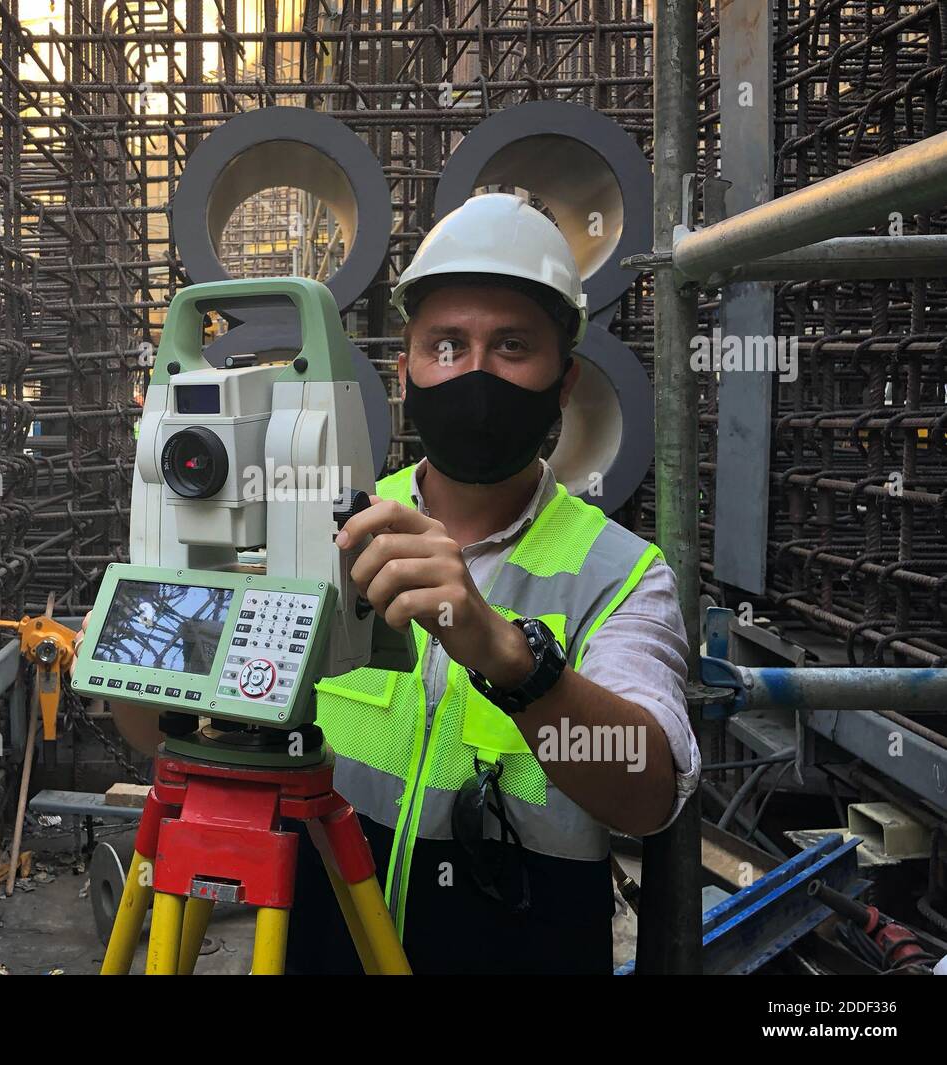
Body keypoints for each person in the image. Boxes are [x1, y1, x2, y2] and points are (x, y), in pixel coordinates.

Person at [282, 192, 699, 974]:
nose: (474, 372)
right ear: (404, 367)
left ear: (565, 379)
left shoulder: (618, 573)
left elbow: (647, 794)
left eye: (512, 346)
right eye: (446, 345)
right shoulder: (339, 533)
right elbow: (163, 731)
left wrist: (511, 658)